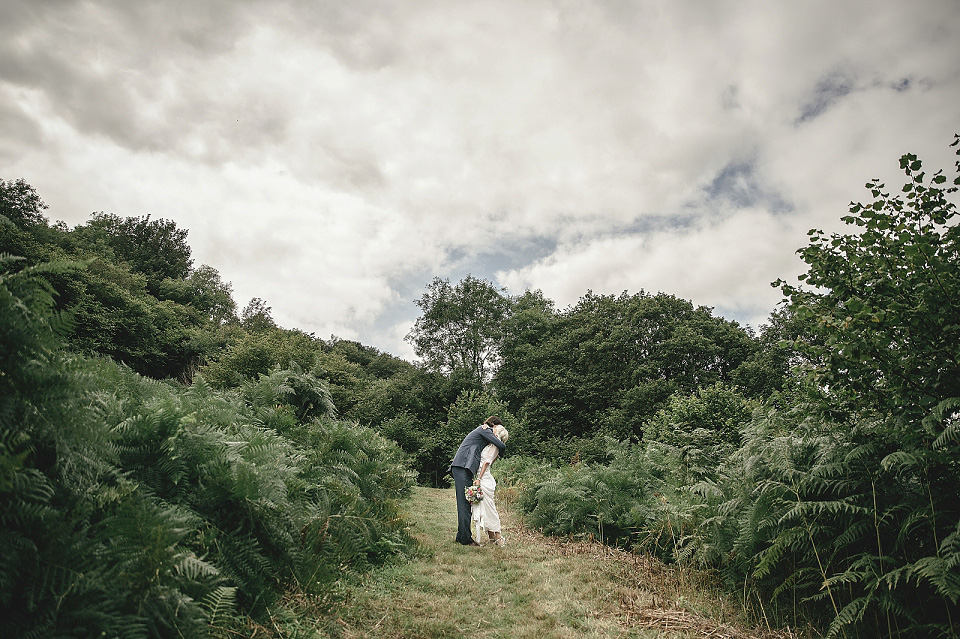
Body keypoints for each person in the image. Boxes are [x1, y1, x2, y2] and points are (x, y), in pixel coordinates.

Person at [449, 416, 505, 546]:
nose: (496, 431)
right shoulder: (485, 430)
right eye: (497, 427)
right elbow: (500, 445)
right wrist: (501, 451)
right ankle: (465, 539)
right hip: (462, 466)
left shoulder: (483, 430)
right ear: (494, 425)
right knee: (464, 504)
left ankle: (461, 536)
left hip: (463, 467)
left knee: (465, 503)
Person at [472, 424, 509, 546]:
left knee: (489, 509)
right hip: (482, 476)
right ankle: (491, 536)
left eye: (494, 429)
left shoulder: (494, 447)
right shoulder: (491, 444)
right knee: (484, 509)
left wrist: (479, 478)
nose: (492, 430)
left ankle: (498, 537)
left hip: (484, 478)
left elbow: (486, 463)